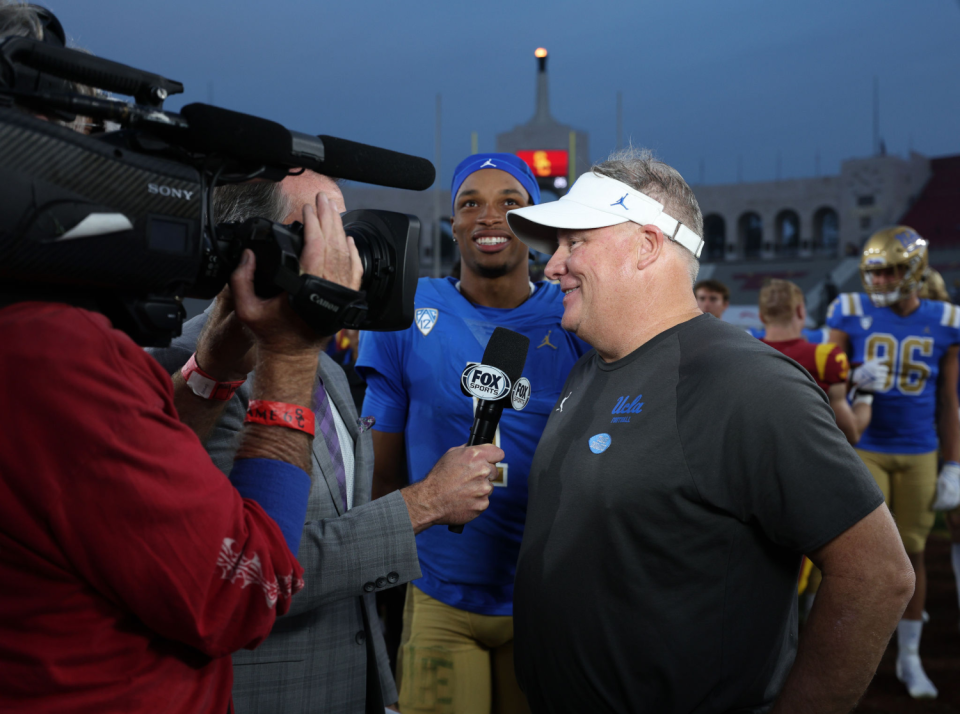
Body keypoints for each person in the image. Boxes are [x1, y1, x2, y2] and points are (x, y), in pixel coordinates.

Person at [505, 147, 914, 714]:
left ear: (647, 246)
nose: (551, 265)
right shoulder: (587, 367)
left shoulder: (747, 383)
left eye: (576, 243)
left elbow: (879, 574)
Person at [0, 161, 370, 710]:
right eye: (317, 235)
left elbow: (136, 497)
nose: (344, 260)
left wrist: (213, 371)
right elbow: (246, 589)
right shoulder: (60, 357)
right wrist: (289, 356)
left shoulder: (44, 345)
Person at [147, 172, 503, 714]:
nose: (347, 251)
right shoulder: (200, 369)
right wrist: (423, 505)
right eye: (325, 228)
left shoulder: (327, 369)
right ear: (261, 244)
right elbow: (243, 573)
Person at [356, 153, 589, 714]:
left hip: (545, 598)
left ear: (537, 221)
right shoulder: (409, 312)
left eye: (510, 203)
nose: (489, 217)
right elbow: (380, 472)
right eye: (470, 204)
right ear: (453, 224)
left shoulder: (580, 314)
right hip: (438, 592)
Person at [827, 226, 960, 699]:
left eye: (892, 271)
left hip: (920, 448)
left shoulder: (946, 318)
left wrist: (953, 464)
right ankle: (852, 657)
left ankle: (908, 659)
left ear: (917, 270)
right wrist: (852, 380)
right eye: (876, 272)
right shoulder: (848, 311)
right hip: (865, 446)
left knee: (915, 554)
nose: (881, 281)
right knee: (855, 557)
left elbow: (949, 401)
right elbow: (828, 383)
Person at [758, 278, 875, 445]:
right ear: (800, 311)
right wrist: (865, 395)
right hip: (807, 460)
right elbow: (851, 434)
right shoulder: (825, 357)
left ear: (761, 317)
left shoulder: (743, 354)